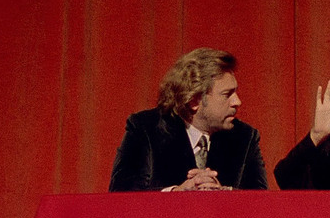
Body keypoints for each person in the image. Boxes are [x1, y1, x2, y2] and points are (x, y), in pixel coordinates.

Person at [109, 48, 267, 192]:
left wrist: (225, 195)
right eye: (227, 94)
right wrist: (176, 193)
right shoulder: (145, 128)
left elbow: (261, 202)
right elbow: (121, 193)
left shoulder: (245, 137)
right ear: (194, 101)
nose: (237, 102)